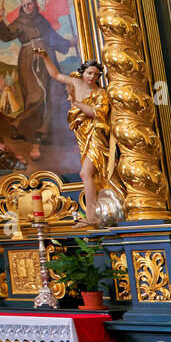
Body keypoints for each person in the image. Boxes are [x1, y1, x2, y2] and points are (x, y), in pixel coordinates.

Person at [36, 51, 116, 226]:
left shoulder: (101, 94)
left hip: (95, 134)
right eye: (89, 73)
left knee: (85, 173)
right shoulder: (75, 82)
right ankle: (93, 214)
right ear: (83, 72)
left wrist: (75, 101)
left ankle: (91, 217)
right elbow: (55, 75)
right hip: (82, 134)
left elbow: (96, 114)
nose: (92, 77)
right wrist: (45, 57)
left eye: (96, 74)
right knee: (90, 175)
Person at [0, 0, 73, 160]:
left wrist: (68, 43)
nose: (27, 7)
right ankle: (19, 125)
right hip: (31, 59)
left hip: (48, 57)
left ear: (36, 4)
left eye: (29, 4)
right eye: (24, 4)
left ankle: (44, 132)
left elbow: (53, 38)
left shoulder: (42, 21)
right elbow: (6, 35)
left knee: (55, 93)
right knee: (37, 95)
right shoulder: (20, 22)